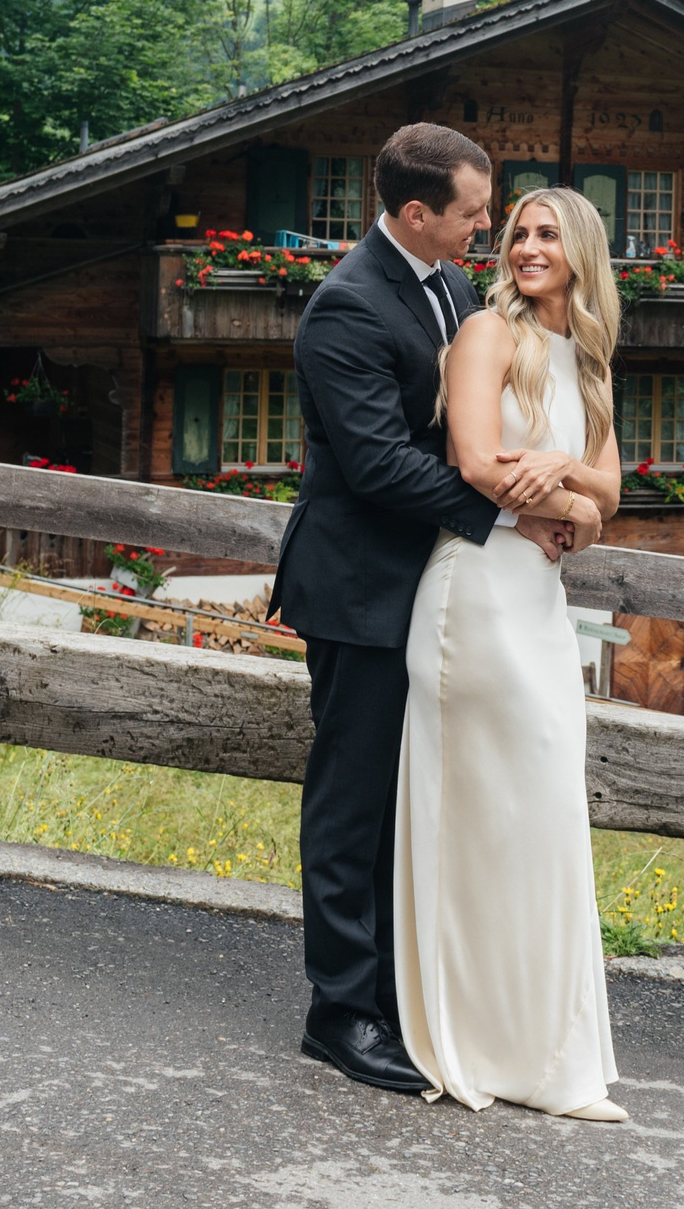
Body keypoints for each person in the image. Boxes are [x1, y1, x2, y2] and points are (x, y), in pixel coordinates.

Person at [276, 125, 575, 1096]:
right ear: (415, 212)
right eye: (473, 213)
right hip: (358, 583)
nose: (488, 227)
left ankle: (403, 993)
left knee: (414, 797)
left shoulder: (450, 286)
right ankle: (339, 1011)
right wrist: (511, 513)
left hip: (435, 586)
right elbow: (377, 464)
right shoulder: (347, 305)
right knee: (353, 801)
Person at [394, 184, 627, 1121]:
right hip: (477, 595)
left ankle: (547, 1053)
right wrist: (576, 507)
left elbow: (612, 487)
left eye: (547, 234)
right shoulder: (488, 334)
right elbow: (476, 464)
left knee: (545, 814)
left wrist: (566, 477)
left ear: (581, 252)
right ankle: (482, 1042)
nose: (527, 247)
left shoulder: (591, 359)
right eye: (519, 233)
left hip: (540, 602)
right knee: (490, 820)